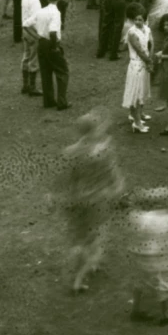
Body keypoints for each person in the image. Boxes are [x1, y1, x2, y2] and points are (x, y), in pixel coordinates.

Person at [59, 111, 125, 293]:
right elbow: (114, 177)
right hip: (99, 199)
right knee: (97, 236)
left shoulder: (70, 152)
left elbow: (68, 180)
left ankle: (77, 266)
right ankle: (79, 277)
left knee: (79, 237)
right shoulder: (104, 152)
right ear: (94, 130)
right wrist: (118, 189)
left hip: (77, 199)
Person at [128, 186, 168, 326]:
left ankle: (135, 310)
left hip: (139, 254)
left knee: (139, 281)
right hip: (161, 257)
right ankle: (165, 314)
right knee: (163, 283)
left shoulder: (136, 216)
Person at [34, 0, 69, 111]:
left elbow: (28, 23)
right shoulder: (56, 12)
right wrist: (55, 47)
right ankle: (62, 102)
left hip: (41, 42)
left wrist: (38, 35)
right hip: (51, 43)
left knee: (45, 72)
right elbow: (53, 32)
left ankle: (48, 100)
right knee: (62, 71)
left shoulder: (41, 11)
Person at [122, 3, 153, 134]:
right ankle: (137, 123)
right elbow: (139, 50)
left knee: (142, 91)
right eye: (136, 19)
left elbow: (151, 44)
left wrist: (150, 60)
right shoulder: (131, 32)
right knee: (135, 93)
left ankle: (138, 114)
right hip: (136, 65)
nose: (137, 22)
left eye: (140, 19)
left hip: (145, 64)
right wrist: (149, 62)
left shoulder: (147, 29)